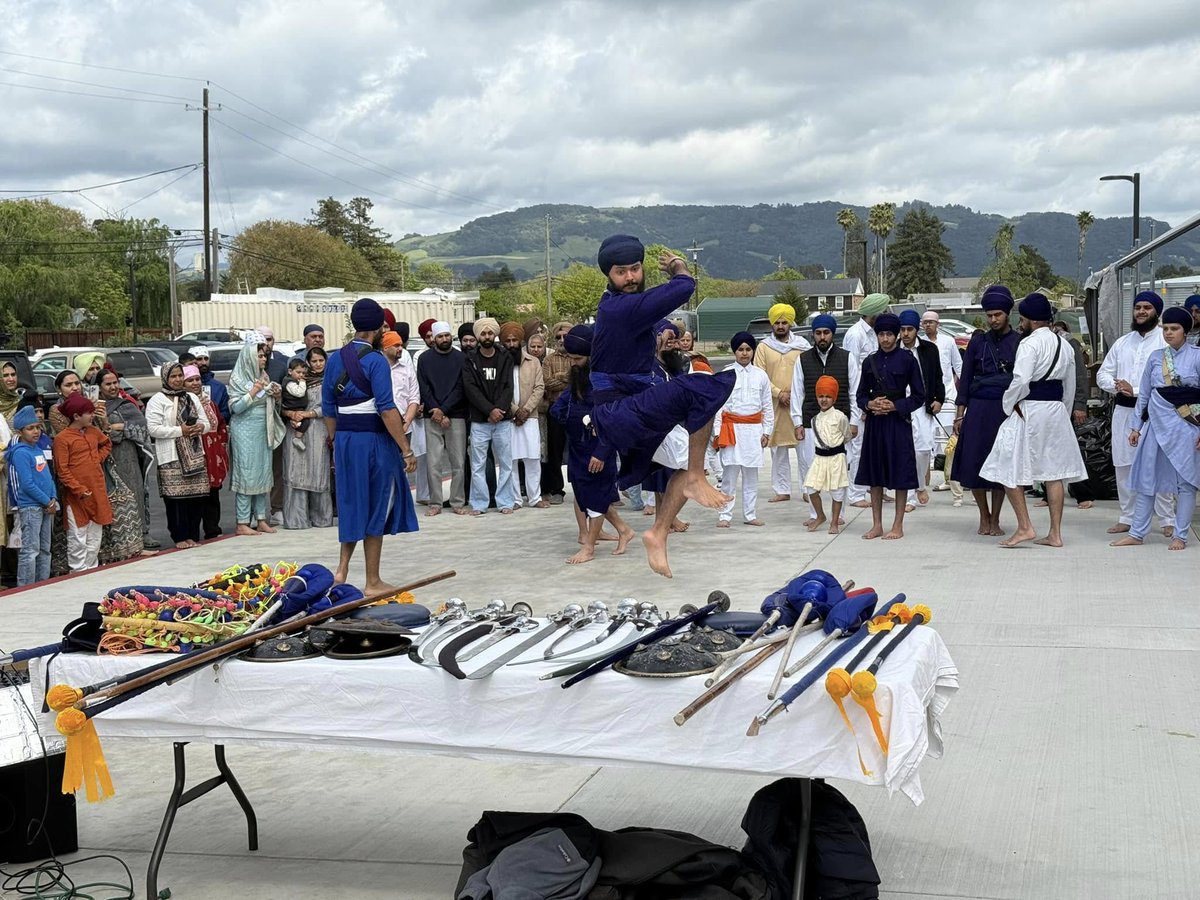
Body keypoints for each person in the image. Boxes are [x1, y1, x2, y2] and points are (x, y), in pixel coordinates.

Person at [589, 235, 735, 577]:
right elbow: (683, 288)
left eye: (636, 269)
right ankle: (697, 477)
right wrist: (679, 268)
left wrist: (666, 328)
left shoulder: (631, 310)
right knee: (700, 386)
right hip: (615, 411)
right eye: (621, 272)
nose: (630, 278)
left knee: (683, 460)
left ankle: (658, 532)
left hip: (636, 407)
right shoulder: (617, 309)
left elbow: (654, 320)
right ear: (608, 276)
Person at [321, 297, 419, 590]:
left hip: (346, 440)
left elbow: (328, 408)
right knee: (377, 504)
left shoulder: (335, 358)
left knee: (352, 503)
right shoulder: (376, 360)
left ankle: (341, 570)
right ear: (379, 327)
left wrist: (336, 444)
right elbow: (387, 409)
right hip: (374, 441)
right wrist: (406, 448)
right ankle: (373, 581)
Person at [981, 292, 1087, 548]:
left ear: (1030, 320)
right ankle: (1055, 534)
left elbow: (1020, 380)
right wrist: (1064, 409)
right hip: (1056, 410)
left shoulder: (1029, 344)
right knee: (1054, 472)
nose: (1021, 323)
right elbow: (1069, 384)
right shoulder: (1065, 344)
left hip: (1030, 408)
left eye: (1023, 318)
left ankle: (1025, 527)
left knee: (1006, 463)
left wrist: (1009, 404)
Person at [1111, 306, 1200, 551]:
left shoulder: (1197, 356)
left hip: (1186, 428)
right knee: (1146, 480)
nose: (1169, 333)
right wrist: (1135, 427)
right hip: (1155, 427)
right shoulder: (1155, 357)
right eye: (1166, 328)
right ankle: (1137, 532)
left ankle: (1180, 535)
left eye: (1175, 329)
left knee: (1186, 483)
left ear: (1185, 331)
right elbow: (1145, 396)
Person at [549, 325, 635, 564]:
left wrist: (602, 451)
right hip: (577, 447)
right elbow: (560, 408)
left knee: (596, 494)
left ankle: (589, 548)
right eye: (571, 358)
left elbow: (614, 420)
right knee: (583, 492)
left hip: (598, 448)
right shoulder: (578, 377)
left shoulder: (605, 382)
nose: (573, 363)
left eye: (578, 358)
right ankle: (624, 530)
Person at [1096, 291, 1171, 536]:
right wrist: (1117, 386)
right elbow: (1103, 373)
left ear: (1156, 312)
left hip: (1156, 413)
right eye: (1138, 307)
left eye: (1147, 307)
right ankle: (1127, 517)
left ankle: (1167, 519)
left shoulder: (1165, 341)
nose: (1141, 311)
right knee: (1124, 465)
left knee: (1159, 466)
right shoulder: (1123, 342)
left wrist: (1136, 389)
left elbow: (1170, 380)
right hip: (1124, 412)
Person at [952, 285, 1020, 536]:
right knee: (975, 462)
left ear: (1007, 314)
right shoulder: (977, 342)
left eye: (997, 315)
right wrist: (960, 414)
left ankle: (997, 518)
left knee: (1001, 464)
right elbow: (966, 378)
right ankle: (984, 515)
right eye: (989, 315)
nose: (993, 320)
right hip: (978, 409)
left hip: (1005, 410)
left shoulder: (1019, 342)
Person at [855, 313, 923, 540]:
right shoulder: (869, 361)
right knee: (875, 474)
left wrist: (895, 406)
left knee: (900, 472)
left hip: (897, 422)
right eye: (881, 334)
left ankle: (898, 524)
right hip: (875, 423)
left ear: (896, 336)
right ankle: (876, 524)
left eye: (889, 335)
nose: (885, 339)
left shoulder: (908, 360)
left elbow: (918, 396)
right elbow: (860, 395)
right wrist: (870, 404)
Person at [790, 314, 857, 529]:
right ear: (813, 335)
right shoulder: (802, 359)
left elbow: (854, 392)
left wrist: (854, 420)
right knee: (810, 470)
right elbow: (796, 393)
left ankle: (839, 515)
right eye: (818, 333)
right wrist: (797, 423)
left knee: (840, 471)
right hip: (811, 422)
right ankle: (815, 513)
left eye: (826, 333)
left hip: (840, 422)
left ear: (832, 334)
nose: (822, 337)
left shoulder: (848, 358)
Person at [146, 363, 212, 548]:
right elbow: (153, 429)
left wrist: (200, 427)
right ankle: (179, 537)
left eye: (179, 375)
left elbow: (206, 423)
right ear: (165, 378)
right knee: (176, 501)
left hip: (195, 454)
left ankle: (192, 535)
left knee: (196, 498)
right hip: (172, 456)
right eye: (172, 376)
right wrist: (180, 430)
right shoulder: (157, 400)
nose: (177, 380)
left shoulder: (191, 397)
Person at [92, 368, 154, 560]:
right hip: (104, 459)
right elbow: (97, 432)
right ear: (99, 387)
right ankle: (116, 544)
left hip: (127, 457)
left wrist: (116, 427)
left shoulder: (126, 405)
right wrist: (112, 428)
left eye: (115, 383)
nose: (113, 387)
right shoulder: (93, 407)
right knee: (112, 500)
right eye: (108, 384)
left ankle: (141, 536)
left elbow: (142, 426)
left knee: (134, 493)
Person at [714, 331, 773, 527]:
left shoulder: (761, 375)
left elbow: (767, 406)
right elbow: (718, 406)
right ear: (735, 351)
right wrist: (716, 432)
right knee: (729, 476)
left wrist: (767, 431)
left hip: (753, 431)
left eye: (748, 349)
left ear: (753, 351)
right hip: (730, 429)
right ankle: (725, 515)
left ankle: (750, 514)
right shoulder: (725, 374)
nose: (745, 353)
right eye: (741, 349)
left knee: (751, 476)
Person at [228, 334, 285, 536]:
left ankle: (261, 518)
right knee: (247, 473)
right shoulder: (238, 378)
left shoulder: (264, 377)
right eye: (259, 356)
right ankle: (242, 522)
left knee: (263, 471)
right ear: (249, 357)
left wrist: (275, 396)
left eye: (264, 356)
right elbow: (235, 407)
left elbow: (270, 403)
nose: (263, 359)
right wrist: (253, 392)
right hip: (244, 430)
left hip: (263, 428)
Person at [753, 302, 810, 503]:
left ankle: (807, 488)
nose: (780, 326)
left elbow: (809, 372)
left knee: (804, 450)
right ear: (772, 324)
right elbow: (759, 375)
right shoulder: (763, 347)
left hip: (799, 404)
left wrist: (793, 394)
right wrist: (779, 393)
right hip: (774, 405)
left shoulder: (802, 345)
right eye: (776, 322)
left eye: (784, 322)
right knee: (778, 451)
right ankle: (782, 489)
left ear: (790, 324)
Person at [463, 317, 518, 515]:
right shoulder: (470, 359)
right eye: (483, 333)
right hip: (480, 420)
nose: (487, 336)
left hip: (502, 420)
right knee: (477, 465)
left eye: (490, 333)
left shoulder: (505, 357)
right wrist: (489, 410)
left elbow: (508, 386)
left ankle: (505, 502)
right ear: (478, 336)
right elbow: (471, 389)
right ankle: (479, 503)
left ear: (494, 335)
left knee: (505, 462)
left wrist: (499, 410)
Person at [51, 394, 111, 571]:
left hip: (97, 491)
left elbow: (106, 444)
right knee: (78, 537)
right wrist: (78, 488)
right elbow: (62, 470)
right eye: (89, 413)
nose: (92, 416)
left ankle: (91, 571)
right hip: (77, 496)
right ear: (76, 416)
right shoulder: (63, 439)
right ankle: (77, 573)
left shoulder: (93, 432)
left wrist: (96, 459)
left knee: (94, 538)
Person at [843, 293, 890, 507]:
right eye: (884, 310)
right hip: (861, 399)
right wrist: (858, 407)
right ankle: (855, 494)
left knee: (878, 448)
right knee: (859, 449)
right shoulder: (855, 335)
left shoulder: (874, 333)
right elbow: (851, 372)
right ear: (875, 313)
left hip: (877, 399)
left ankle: (877, 489)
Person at [418, 321, 468, 513]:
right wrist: (436, 411)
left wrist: (444, 410)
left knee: (458, 463)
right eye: (440, 336)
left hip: (456, 415)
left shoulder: (461, 358)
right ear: (434, 338)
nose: (444, 339)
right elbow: (424, 387)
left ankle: (457, 502)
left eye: (447, 335)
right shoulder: (424, 359)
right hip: (432, 417)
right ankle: (435, 503)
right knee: (433, 463)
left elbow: (461, 388)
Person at [281, 346, 333, 529]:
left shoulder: (330, 380)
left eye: (321, 360)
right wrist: (291, 413)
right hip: (295, 429)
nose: (318, 364)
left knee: (318, 471)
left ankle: (322, 519)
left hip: (319, 428)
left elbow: (331, 406)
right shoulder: (295, 379)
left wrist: (308, 414)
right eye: (314, 361)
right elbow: (282, 402)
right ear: (307, 363)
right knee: (295, 472)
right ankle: (297, 521)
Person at [898, 309, 945, 510]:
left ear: (917, 330)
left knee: (924, 450)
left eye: (910, 329)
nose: (906, 333)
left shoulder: (929, 350)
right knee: (905, 451)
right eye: (902, 330)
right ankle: (908, 497)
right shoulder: (893, 350)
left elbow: (937, 378)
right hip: (900, 406)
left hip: (923, 406)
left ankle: (919, 484)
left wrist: (939, 399)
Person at [8, 405, 56, 585]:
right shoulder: (20, 452)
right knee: (30, 550)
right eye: (30, 428)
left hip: (46, 504)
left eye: (37, 427)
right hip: (31, 506)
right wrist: (46, 501)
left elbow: (47, 477)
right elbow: (27, 484)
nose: (35, 431)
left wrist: (53, 498)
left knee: (45, 549)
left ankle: (42, 583)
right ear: (20, 432)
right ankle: (26, 586)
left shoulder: (37, 449)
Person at [1052, 319, 1095, 510]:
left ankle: (1083, 493)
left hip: (1067, 404)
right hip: (1047, 406)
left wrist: (1079, 404)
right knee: (1049, 451)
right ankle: (1048, 492)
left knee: (1071, 450)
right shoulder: (1032, 342)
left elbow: (1079, 374)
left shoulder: (1068, 343)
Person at [921, 311, 963, 500]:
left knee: (948, 439)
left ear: (938, 324)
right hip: (926, 396)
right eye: (925, 322)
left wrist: (964, 394)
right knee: (926, 436)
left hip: (948, 396)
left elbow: (958, 366)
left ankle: (949, 476)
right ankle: (924, 476)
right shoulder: (919, 343)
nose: (928, 325)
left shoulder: (948, 342)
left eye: (931, 322)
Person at [803, 375, 851, 534]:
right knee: (811, 488)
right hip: (819, 458)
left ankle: (835, 522)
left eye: (828, 396)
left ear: (834, 398)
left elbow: (847, 436)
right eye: (821, 396)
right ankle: (820, 515)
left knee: (837, 491)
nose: (824, 400)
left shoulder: (840, 417)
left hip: (836, 458)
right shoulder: (814, 419)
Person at [190, 360, 231, 538]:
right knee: (196, 496)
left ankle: (212, 529)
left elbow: (221, 424)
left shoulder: (210, 403)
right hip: (195, 453)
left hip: (213, 453)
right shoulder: (183, 404)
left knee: (213, 494)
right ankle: (191, 533)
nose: (195, 383)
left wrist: (221, 443)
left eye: (197, 379)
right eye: (190, 380)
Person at [507, 325, 547, 508]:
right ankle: (515, 499)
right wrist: (515, 410)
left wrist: (526, 409)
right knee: (511, 459)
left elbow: (539, 388)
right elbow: (499, 390)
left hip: (530, 417)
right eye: (507, 341)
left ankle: (535, 498)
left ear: (520, 342)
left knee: (532, 458)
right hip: (508, 417)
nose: (511, 344)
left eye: (514, 340)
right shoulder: (501, 361)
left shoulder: (533, 361)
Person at [540, 321, 574, 505]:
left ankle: (581, 485)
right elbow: (547, 383)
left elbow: (580, 380)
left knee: (579, 448)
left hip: (576, 407)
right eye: (558, 337)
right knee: (555, 451)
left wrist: (559, 378)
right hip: (555, 407)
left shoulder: (579, 356)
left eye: (566, 336)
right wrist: (567, 377)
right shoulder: (548, 360)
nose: (562, 340)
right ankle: (556, 489)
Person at [189, 347, 231, 427]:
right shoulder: (184, 386)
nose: (204, 362)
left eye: (206, 359)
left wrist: (212, 418)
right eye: (199, 359)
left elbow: (226, 413)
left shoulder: (219, 387)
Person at [281, 356, 312, 451]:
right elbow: (299, 393)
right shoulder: (290, 382)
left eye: (303, 373)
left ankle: (296, 426)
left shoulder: (294, 381)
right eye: (298, 372)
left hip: (297, 408)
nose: (301, 375)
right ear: (290, 371)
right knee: (305, 421)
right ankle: (297, 438)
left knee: (303, 421)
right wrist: (303, 382)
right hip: (292, 407)